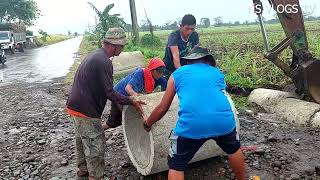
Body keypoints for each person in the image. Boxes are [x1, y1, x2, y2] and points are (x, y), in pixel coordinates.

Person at [143, 47, 246, 180]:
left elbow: (163, 107)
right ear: (208, 61)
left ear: (188, 61)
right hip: (223, 122)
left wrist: (148, 123)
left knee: (176, 165)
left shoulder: (178, 74)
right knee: (234, 149)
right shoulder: (217, 73)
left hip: (192, 125)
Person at [66, 27, 145, 180]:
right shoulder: (104, 62)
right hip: (86, 110)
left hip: (75, 106)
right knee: (95, 145)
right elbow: (110, 93)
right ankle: (96, 176)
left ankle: (83, 170)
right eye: (122, 46)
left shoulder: (95, 55)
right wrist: (131, 100)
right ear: (113, 45)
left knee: (82, 140)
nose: (122, 49)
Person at [102, 57, 167, 130]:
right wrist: (138, 97)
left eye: (162, 72)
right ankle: (98, 131)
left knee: (133, 116)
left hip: (130, 98)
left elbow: (165, 92)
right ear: (152, 70)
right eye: (159, 72)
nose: (160, 74)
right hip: (119, 95)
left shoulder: (158, 78)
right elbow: (128, 88)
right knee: (113, 123)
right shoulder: (140, 73)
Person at [163, 14, 199, 78]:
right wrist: (183, 75)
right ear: (181, 26)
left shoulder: (194, 36)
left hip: (184, 66)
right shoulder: (174, 36)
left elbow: (195, 55)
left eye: (192, 29)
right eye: (187, 28)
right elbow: (176, 58)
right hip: (170, 69)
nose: (189, 32)